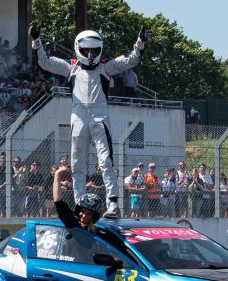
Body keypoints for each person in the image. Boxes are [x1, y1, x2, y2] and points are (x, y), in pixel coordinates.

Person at [30, 23, 149, 218]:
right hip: (78, 116)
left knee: (106, 160)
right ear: (79, 48)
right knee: (78, 164)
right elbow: (45, 62)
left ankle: (112, 203)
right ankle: (80, 204)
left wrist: (140, 42)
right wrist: (36, 41)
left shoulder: (106, 66)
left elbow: (131, 60)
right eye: (87, 50)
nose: (91, 54)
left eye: (94, 50)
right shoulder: (70, 67)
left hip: (99, 114)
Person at [52, 165, 101, 231]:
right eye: (82, 212)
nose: (84, 216)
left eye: (88, 214)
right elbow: (58, 201)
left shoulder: (97, 232)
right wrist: (57, 174)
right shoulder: (73, 223)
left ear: (94, 216)